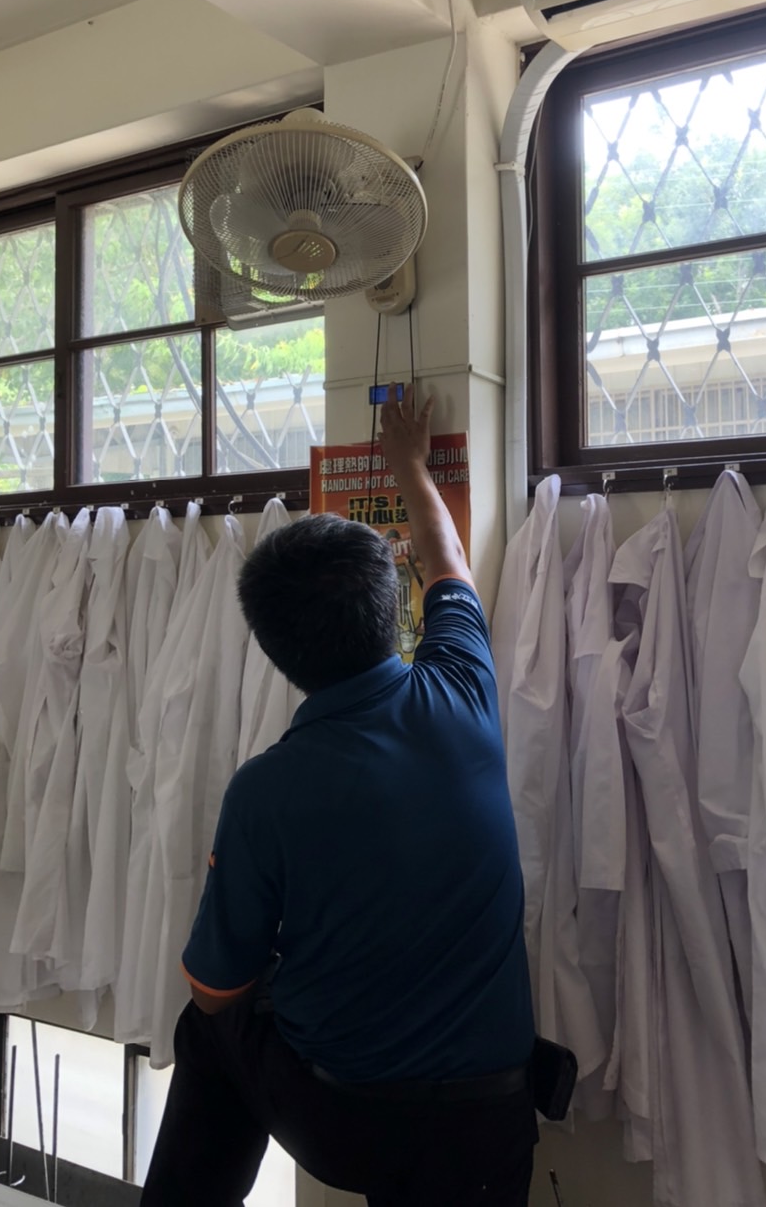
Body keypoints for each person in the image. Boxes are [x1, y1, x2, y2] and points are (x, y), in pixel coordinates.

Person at [141, 385, 538, 1207]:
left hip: (351, 1125)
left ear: (275, 652)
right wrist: (409, 464)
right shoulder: (464, 691)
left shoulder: (265, 791)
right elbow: (448, 561)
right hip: (492, 1126)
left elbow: (216, 990)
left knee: (208, 1031)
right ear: (394, 606)